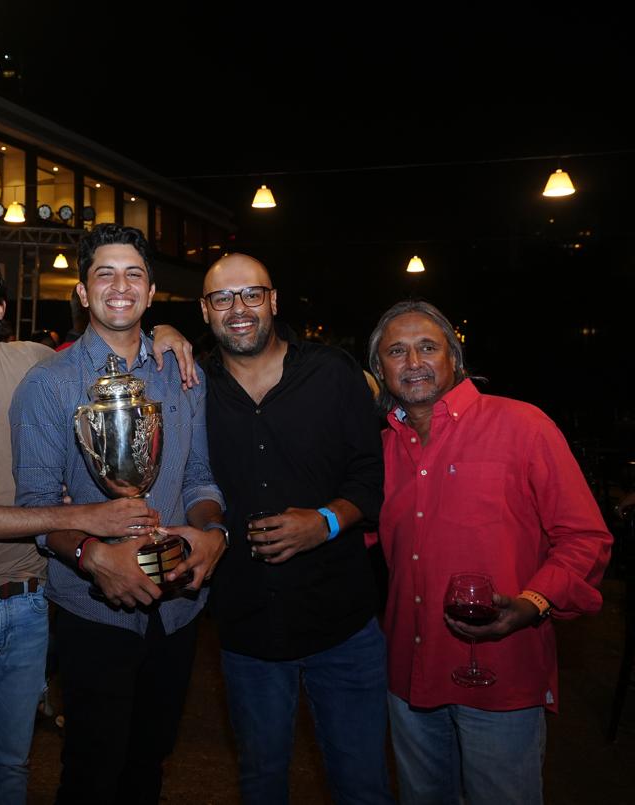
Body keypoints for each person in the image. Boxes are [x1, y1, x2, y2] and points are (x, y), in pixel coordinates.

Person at [0, 242, 191, 805]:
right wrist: (85, 517)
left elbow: (114, 335)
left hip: (30, 598)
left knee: (14, 765)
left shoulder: (30, 361)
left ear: (1, 306)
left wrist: (165, 332)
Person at [11, 224, 227, 805]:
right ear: (83, 292)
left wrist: (212, 532)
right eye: (104, 273)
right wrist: (93, 555)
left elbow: (200, 476)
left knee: (149, 762)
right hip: (93, 606)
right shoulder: (49, 384)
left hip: (178, 604)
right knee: (90, 769)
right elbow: (36, 506)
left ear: (152, 292)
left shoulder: (184, 373)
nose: (120, 286)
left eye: (134, 274)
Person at [370, 300, 612, 805]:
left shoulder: (522, 425)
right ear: (379, 369)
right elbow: (355, 540)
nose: (412, 362)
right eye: (396, 351)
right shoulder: (380, 450)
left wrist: (533, 603)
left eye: (427, 347)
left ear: (454, 358)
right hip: (408, 674)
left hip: (502, 676)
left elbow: (585, 537)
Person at [199, 253, 391, 805]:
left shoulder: (331, 372)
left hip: (342, 624)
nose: (238, 308)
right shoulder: (191, 383)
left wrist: (325, 522)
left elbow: (370, 477)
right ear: (205, 311)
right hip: (248, 626)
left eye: (251, 294)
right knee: (262, 783)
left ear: (274, 301)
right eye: (222, 298)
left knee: (363, 786)